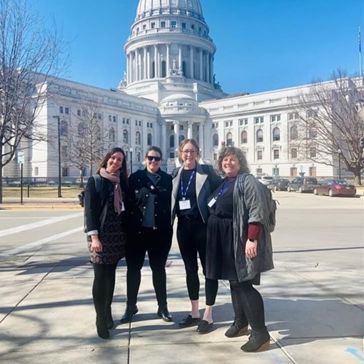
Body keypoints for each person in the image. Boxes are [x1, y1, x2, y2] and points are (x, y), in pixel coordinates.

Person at [205, 146, 274, 352]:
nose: (228, 163)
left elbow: (256, 210)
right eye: (225, 160)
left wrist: (252, 239)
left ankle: (260, 334)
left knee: (243, 283)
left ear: (240, 162)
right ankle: (241, 322)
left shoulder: (247, 181)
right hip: (224, 238)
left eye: (233, 159)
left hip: (240, 239)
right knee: (234, 282)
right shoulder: (226, 182)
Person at [171, 139, 222, 332]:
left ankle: (208, 315)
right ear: (180, 153)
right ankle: (194, 312)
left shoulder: (206, 171)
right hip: (183, 228)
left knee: (209, 270)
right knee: (190, 269)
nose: (189, 155)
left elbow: (221, 189)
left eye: (192, 151)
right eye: (185, 151)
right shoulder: (176, 173)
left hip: (203, 226)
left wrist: (212, 209)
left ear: (197, 153)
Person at [120, 146, 173, 323]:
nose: (153, 161)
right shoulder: (135, 178)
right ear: (145, 158)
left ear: (161, 160)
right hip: (137, 233)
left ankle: (162, 306)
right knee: (133, 270)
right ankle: (131, 306)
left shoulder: (167, 179)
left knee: (159, 270)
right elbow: (124, 202)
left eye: (157, 158)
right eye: (150, 158)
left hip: (160, 234)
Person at [84, 147, 129, 340]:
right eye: (113, 158)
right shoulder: (96, 181)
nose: (116, 162)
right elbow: (89, 211)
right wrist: (94, 237)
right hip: (100, 236)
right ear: (106, 160)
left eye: (119, 160)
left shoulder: (121, 182)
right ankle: (100, 317)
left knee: (110, 276)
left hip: (116, 236)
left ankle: (108, 310)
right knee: (100, 276)